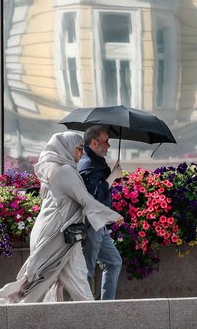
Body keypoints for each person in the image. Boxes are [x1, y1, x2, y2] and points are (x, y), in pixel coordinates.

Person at [0, 132, 123, 304]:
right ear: (67, 148)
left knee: (53, 281)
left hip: (61, 234)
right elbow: (86, 199)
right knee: (43, 282)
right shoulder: (65, 171)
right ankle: (11, 313)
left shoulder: (56, 169)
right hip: (56, 235)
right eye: (78, 149)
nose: (81, 153)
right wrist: (113, 216)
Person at [78, 125, 123, 300]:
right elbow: (93, 197)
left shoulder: (95, 162)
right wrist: (112, 177)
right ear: (94, 142)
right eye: (106, 141)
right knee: (86, 270)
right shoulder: (87, 164)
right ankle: (80, 312)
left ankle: (106, 308)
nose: (109, 145)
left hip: (99, 224)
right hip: (91, 224)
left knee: (114, 261)